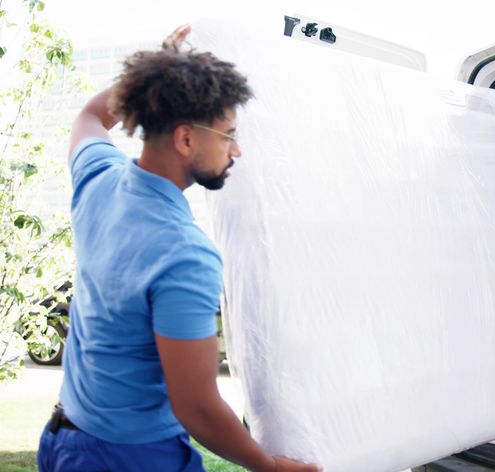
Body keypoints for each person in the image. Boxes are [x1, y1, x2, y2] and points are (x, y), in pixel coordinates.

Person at [36, 25, 321, 472]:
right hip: (132, 459)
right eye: (228, 135)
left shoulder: (99, 178)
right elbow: (198, 408)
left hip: (64, 441)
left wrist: (160, 77)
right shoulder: (184, 254)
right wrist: (271, 466)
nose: (237, 150)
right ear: (187, 139)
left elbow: (90, 117)